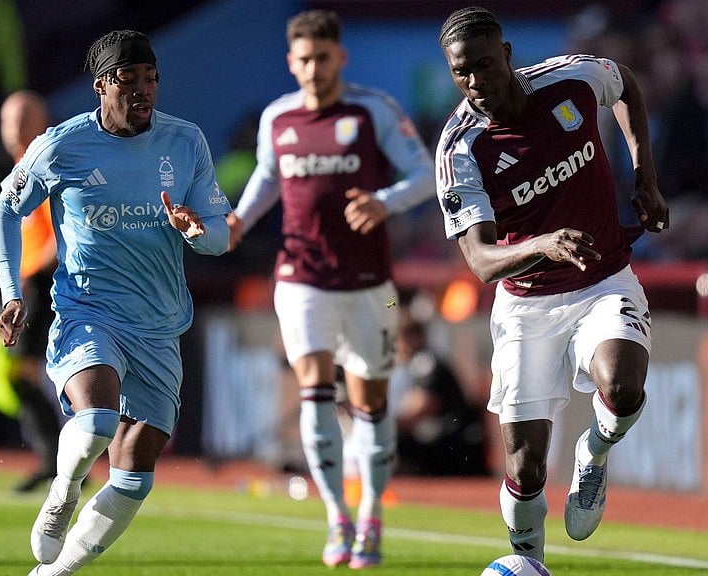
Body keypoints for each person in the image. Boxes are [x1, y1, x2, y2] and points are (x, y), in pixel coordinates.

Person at [0, 30, 231, 576]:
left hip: (160, 325)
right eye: (128, 80)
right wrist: (10, 293)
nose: (143, 90)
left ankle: (56, 573)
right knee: (97, 419)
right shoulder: (61, 145)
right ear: (101, 85)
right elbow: (6, 210)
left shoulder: (186, 141)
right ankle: (65, 486)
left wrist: (197, 231)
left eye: (151, 78)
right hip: (88, 311)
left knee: (135, 472)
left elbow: (218, 232)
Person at [434, 6, 669, 565]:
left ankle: (596, 449)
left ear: (508, 55)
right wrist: (538, 245)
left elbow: (626, 85)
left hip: (602, 280)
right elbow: (480, 260)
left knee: (625, 389)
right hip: (526, 306)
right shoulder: (461, 148)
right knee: (524, 467)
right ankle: (531, 563)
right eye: (461, 72)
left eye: (485, 66)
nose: (475, 83)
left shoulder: (572, 80)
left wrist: (645, 177)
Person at [225, 9, 436, 569]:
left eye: (323, 57)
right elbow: (269, 177)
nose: (314, 69)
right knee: (315, 386)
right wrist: (239, 221)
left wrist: (383, 201)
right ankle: (337, 517)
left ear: (340, 57)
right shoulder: (278, 118)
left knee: (369, 403)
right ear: (290, 63)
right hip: (300, 277)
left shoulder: (374, 111)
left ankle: (371, 516)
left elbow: (426, 174)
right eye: (304, 59)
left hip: (374, 286)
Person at [0, 89, 62, 493]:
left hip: (40, 284)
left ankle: (56, 460)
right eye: (6, 121)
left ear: (40, 120)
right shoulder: (20, 167)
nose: (12, 130)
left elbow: (63, 232)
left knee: (22, 374)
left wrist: (34, 273)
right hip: (24, 285)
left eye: (21, 119)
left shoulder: (45, 166)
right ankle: (56, 459)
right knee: (15, 375)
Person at [390, 310, 487, 477]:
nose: (399, 346)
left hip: (453, 440)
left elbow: (423, 408)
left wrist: (382, 427)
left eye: (402, 338)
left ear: (417, 337)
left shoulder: (425, 362)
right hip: (447, 437)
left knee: (395, 441)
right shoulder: (413, 365)